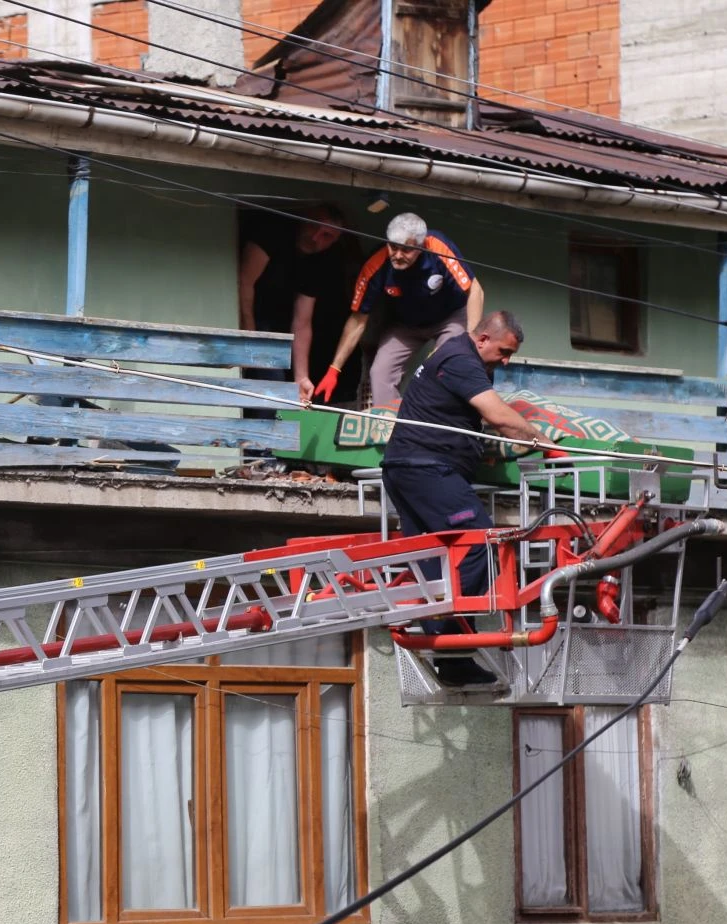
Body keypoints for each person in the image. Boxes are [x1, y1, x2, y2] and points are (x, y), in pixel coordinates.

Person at [380, 310, 559, 688]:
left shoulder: (460, 357)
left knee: (438, 559)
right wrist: (545, 444)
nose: (506, 361)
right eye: (504, 351)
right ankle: (447, 634)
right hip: (427, 469)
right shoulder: (462, 359)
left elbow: (461, 416)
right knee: (480, 544)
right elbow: (499, 416)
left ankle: (452, 657)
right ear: (483, 339)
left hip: (408, 469)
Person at [314, 212, 485, 407]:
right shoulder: (377, 263)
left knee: (442, 364)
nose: (397, 255)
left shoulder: (438, 247)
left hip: (450, 318)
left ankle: (432, 424)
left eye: (406, 250)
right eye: (393, 247)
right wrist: (334, 369)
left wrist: (469, 341)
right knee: (379, 373)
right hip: (406, 324)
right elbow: (358, 320)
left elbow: (475, 291)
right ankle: (390, 429)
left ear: (421, 246)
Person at [237, 204, 360, 408]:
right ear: (304, 220)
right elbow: (244, 281)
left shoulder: (320, 261)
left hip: (281, 320)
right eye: (314, 227)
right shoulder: (273, 232)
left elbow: (302, 320)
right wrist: (250, 332)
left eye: (327, 236)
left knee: (286, 383)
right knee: (270, 379)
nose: (316, 238)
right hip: (253, 313)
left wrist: (301, 377)